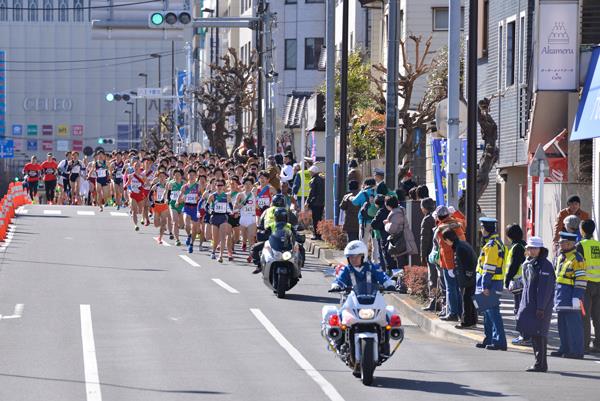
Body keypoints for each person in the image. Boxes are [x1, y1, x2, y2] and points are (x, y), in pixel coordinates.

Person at [516, 236, 556, 372]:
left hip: (540, 306)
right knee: (534, 333)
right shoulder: (529, 263)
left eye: (534, 248)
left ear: (540, 249)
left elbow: (544, 289)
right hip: (531, 304)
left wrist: (541, 307)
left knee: (539, 334)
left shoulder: (545, 265)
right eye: (529, 248)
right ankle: (539, 363)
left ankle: (541, 364)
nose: (531, 250)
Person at [551, 231, 588, 359]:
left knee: (574, 326)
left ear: (570, 243)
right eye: (560, 242)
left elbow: (581, 280)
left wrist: (577, 297)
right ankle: (564, 348)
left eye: (562, 242)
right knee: (562, 326)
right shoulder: (560, 256)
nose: (560, 244)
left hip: (571, 296)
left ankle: (577, 351)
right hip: (561, 296)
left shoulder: (577, 258)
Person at [475, 217, 507, 351]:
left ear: (486, 229)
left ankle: (499, 341)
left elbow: (489, 268)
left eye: (482, 228)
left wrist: (485, 286)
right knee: (488, 313)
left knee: (493, 313)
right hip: (491, 283)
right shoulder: (495, 243)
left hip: (491, 284)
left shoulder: (492, 245)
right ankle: (489, 338)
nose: (481, 230)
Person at [435, 205, 466, 321]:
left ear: (438, 217)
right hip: (459, 260)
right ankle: (459, 312)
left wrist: (449, 267)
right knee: (457, 288)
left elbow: (445, 249)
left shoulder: (442, 229)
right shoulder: (458, 224)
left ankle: (452, 312)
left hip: (449, 262)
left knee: (450, 289)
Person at [442, 228, 477, 328]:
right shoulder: (462, 244)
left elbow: (469, 263)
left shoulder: (459, 247)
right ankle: (472, 321)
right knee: (470, 299)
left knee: (467, 300)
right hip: (469, 277)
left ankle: (466, 322)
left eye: (445, 241)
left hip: (468, 278)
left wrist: (468, 275)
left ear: (448, 240)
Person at [504, 224, 528, 346]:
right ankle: (524, 335)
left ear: (509, 236)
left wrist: (507, 280)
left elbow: (513, 266)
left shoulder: (516, 247)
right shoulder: (523, 244)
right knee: (523, 309)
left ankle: (524, 336)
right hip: (525, 282)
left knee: (519, 309)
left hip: (519, 282)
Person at [577, 220, 600, 353]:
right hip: (599, 284)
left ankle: (584, 345)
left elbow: (578, 265)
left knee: (584, 315)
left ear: (582, 230)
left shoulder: (580, 245)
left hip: (585, 285)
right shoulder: (598, 244)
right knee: (598, 316)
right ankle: (598, 344)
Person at [384, 196, 418, 271]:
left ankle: (402, 281)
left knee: (401, 263)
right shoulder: (400, 210)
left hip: (400, 240)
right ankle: (404, 280)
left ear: (389, 205)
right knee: (403, 263)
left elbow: (392, 229)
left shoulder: (396, 213)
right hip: (404, 238)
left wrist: (386, 224)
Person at [352, 178, 378, 261]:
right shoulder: (377, 192)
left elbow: (354, 202)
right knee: (376, 244)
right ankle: (376, 263)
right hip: (376, 221)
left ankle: (364, 261)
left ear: (365, 184)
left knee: (363, 243)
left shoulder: (363, 193)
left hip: (364, 221)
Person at [420, 198, 437, 311]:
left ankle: (433, 302)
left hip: (431, 253)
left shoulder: (427, 219)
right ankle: (439, 301)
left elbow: (424, 239)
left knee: (433, 278)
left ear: (424, 208)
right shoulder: (436, 217)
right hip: (439, 253)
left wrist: (423, 254)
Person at [306, 165, 324, 240]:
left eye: (310, 172)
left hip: (315, 202)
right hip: (321, 202)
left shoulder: (314, 180)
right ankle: (319, 234)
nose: (309, 173)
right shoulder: (322, 179)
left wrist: (307, 201)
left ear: (313, 172)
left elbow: (312, 192)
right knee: (319, 218)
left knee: (315, 219)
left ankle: (316, 235)